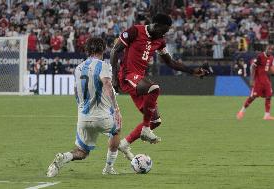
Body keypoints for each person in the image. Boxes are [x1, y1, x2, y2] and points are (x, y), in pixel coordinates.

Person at [110, 13, 210, 160]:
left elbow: (171, 62)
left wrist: (192, 71)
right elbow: (114, 51)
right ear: (156, 26)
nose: (165, 33)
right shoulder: (135, 31)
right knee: (154, 88)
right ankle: (145, 130)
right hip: (128, 76)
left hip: (140, 79)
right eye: (164, 30)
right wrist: (114, 77)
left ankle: (125, 143)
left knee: (155, 121)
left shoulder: (160, 41)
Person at [46, 37, 122, 177]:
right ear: (103, 49)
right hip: (101, 116)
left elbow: (76, 90)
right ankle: (108, 168)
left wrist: (81, 106)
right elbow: (107, 84)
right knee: (116, 131)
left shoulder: (78, 68)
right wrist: (116, 108)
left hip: (83, 117)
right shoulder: (103, 65)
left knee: (82, 152)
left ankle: (64, 157)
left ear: (87, 50)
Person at [237, 45, 274, 120]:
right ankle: (241, 111)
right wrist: (251, 79)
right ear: (266, 49)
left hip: (266, 81)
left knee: (269, 96)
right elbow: (252, 67)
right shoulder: (260, 56)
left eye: (271, 49)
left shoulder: (272, 58)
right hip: (258, 81)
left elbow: (269, 69)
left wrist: (272, 71)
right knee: (253, 97)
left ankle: (267, 115)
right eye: (269, 49)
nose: (270, 50)